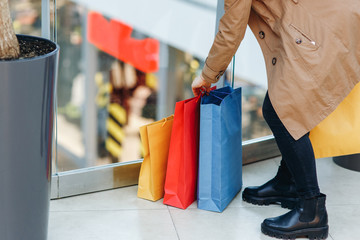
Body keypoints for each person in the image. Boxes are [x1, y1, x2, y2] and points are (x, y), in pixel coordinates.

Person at [192, 1, 360, 239]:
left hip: (324, 26)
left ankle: (311, 212)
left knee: (281, 111)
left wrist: (208, 75)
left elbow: (232, 28)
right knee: (286, 104)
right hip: (326, 18)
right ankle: (287, 183)